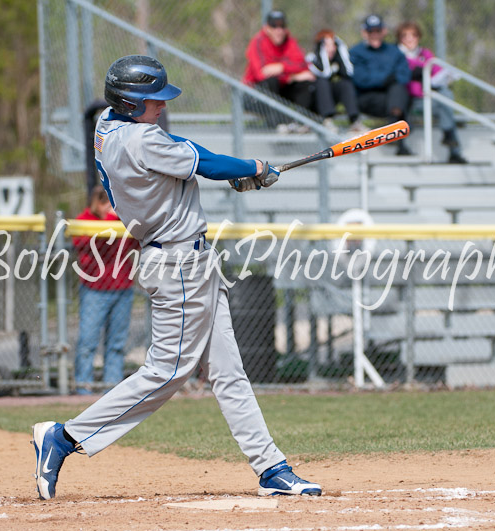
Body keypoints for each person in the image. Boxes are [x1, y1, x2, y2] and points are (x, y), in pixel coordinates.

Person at [32, 55, 321, 500]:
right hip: (177, 266)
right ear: (129, 102)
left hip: (190, 260)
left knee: (228, 372)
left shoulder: (107, 126)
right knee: (166, 372)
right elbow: (201, 160)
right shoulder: (140, 138)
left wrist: (239, 173)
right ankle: (64, 437)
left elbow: (184, 154)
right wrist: (253, 168)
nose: (161, 106)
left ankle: (271, 468)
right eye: (152, 100)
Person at [72, 185, 140, 395]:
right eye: (105, 203)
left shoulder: (123, 221)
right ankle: (83, 388)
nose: (110, 208)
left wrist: (120, 218)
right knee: (87, 342)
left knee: (116, 344)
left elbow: (136, 243)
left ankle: (112, 390)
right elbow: (89, 241)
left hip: (122, 289)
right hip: (94, 291)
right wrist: (112, 219)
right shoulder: (85, 220)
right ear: (96, 203)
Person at [395, 21, 467, 164]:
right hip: (410, 100)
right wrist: (417, 72)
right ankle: (450, 138)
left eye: (413, 35)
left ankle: (453, 147)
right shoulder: (396, 54)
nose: (410, 39)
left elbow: (436, 72)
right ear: (400, 38)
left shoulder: (425, 53)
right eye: (405, 36)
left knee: (445, 96)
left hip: (427, 97)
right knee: (444, 101)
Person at [242, 9, 316, 133]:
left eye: (282, 26)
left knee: (305, 83)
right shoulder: (258, 41)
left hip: (279, 92)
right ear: (266, 28)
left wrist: (281, 67)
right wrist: (290, 76)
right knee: (271, 81)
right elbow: (261, 74)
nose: (279, 30)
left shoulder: (289, 41)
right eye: (274, 26)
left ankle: (300, 123)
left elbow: (303, 65)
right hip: (254, 96)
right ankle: (282, 125)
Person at [349, 14, 413, 156]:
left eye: (378, 31)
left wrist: (389, 80)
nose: (375, 35)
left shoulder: (394, 51)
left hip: (391, 97)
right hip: (368, 99)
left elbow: (404, 75)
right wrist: (384, 80)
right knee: (398, 96)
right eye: (371, 31)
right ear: (364, 33)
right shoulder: (356, 52)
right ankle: (398, 138)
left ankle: (393, 128)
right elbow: (360, 79)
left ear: (384, 31)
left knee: (399, 90)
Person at [305, 28, 365, 134]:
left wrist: (341, 48)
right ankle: (327, 120)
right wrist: (324, 54)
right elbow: (325, 72)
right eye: (327, 45)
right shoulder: (311, 59)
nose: (331, 49)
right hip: (313, 101)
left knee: (345, 83)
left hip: (330, 99)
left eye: (333, 45)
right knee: (322, 82)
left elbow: (348, 72)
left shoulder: (337, 60)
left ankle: (354, 121)